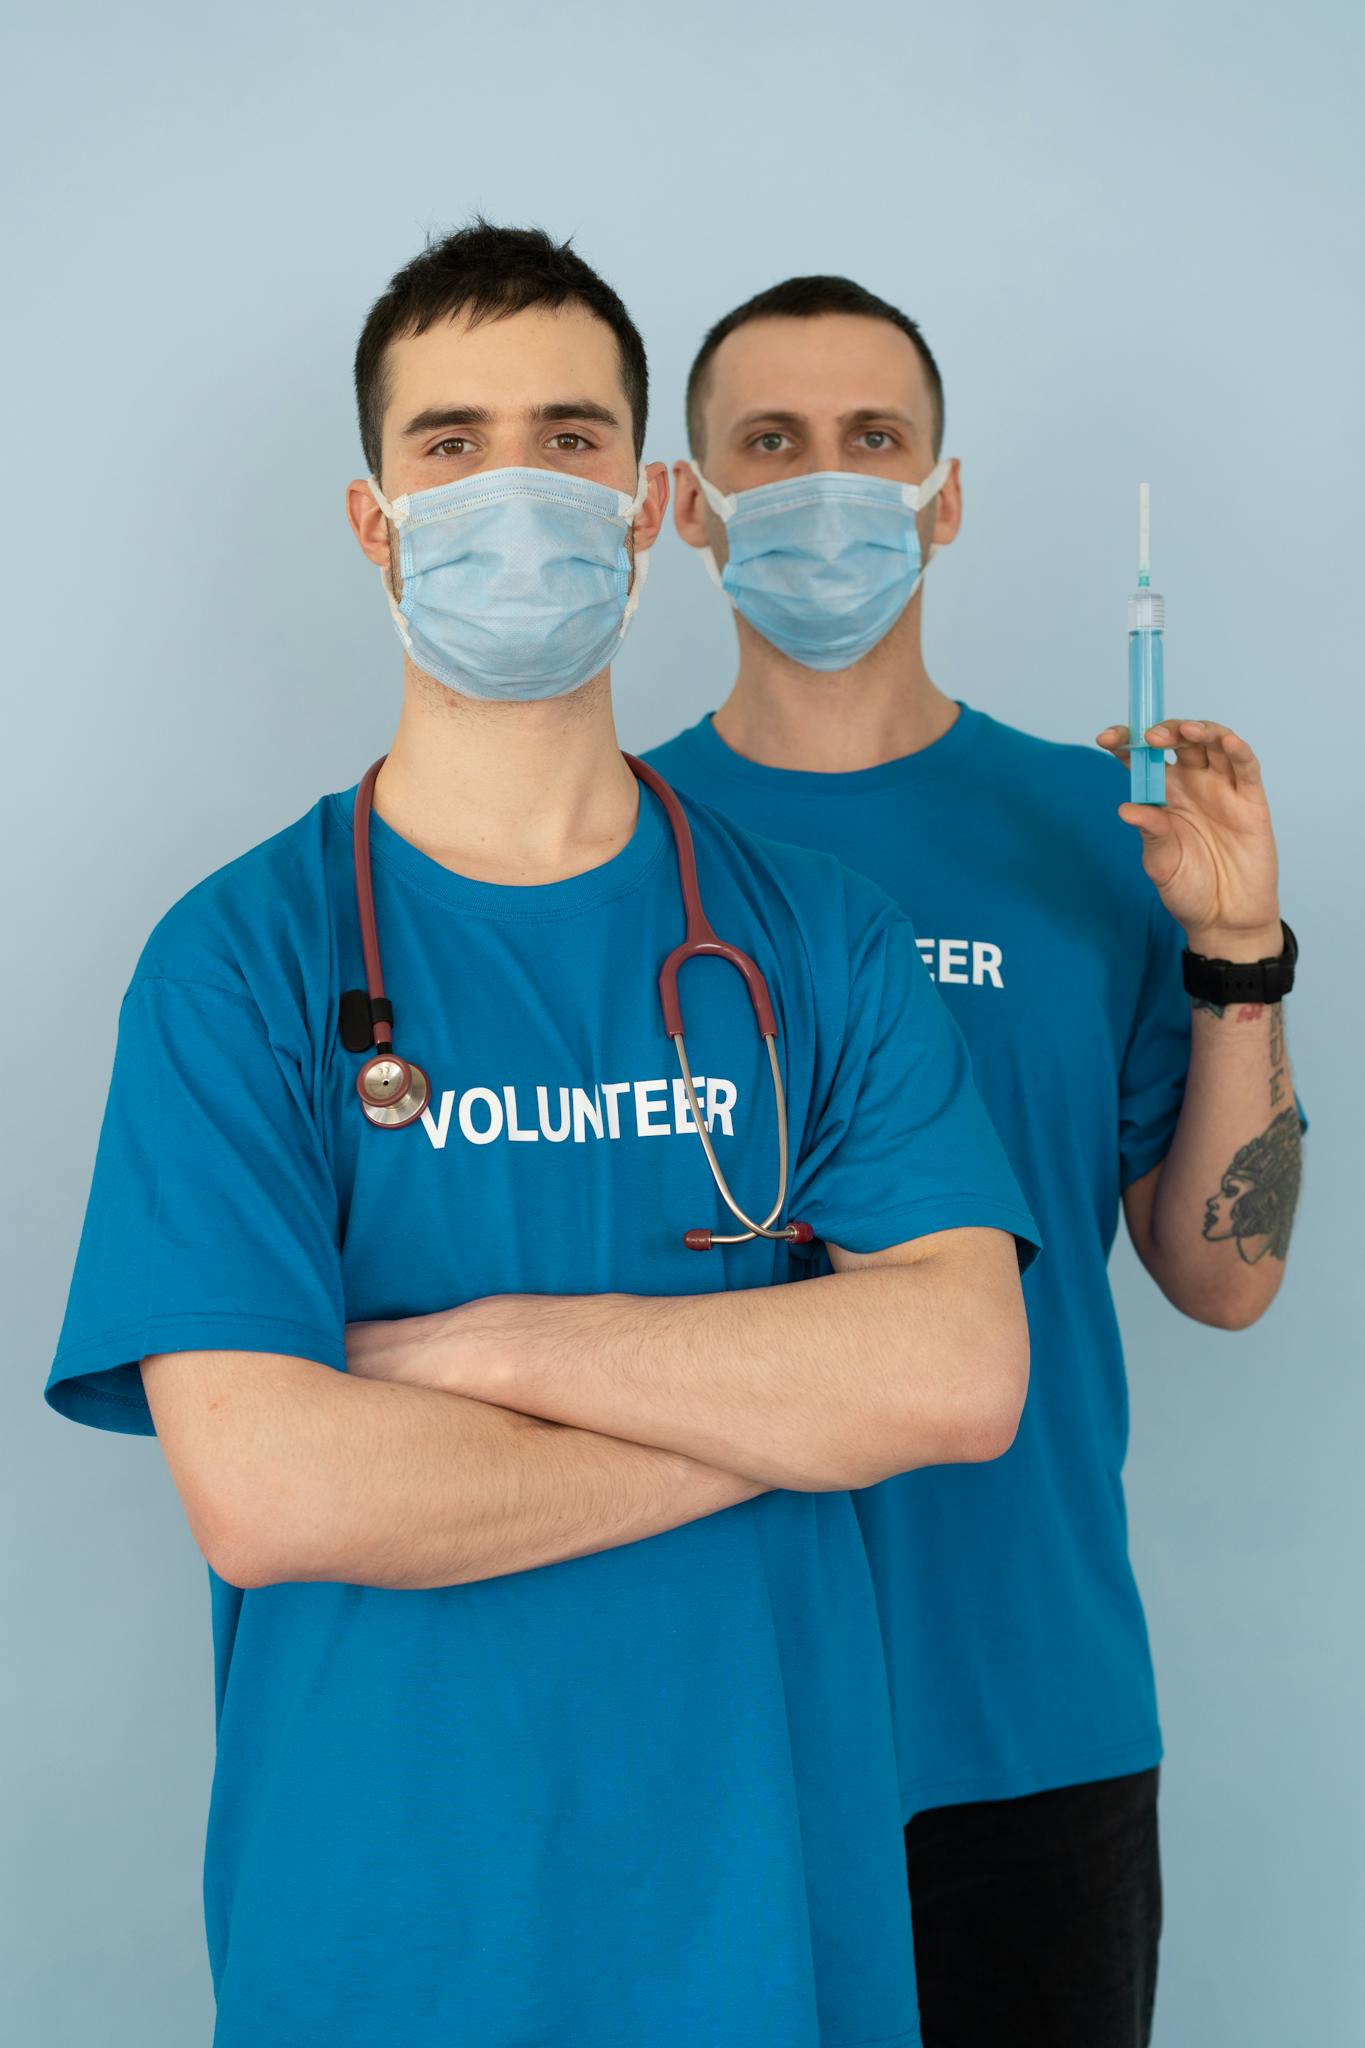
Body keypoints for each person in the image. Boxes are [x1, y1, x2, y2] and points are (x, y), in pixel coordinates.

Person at [46, 228, 1042, 2048]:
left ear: (654, 502)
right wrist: (782, 1426)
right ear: (374, 519)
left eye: (571, 439)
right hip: (383, 1933)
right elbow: (276, 1492)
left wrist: (489, 1352)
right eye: (452, 444)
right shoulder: (241, 961)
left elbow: (962, 1375)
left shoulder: (810, 936)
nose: (517, 488)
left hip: (766, 1913)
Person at [645, 273, 1306, 2048]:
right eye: (767, 447)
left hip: (1028, 1710)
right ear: (686, 504)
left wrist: (1235, 955)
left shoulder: (1096, 839)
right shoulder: (606, 849)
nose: (824, 487)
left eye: (872, 442)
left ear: (944, 497)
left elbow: (1224, 1276)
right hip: (694, 1702)